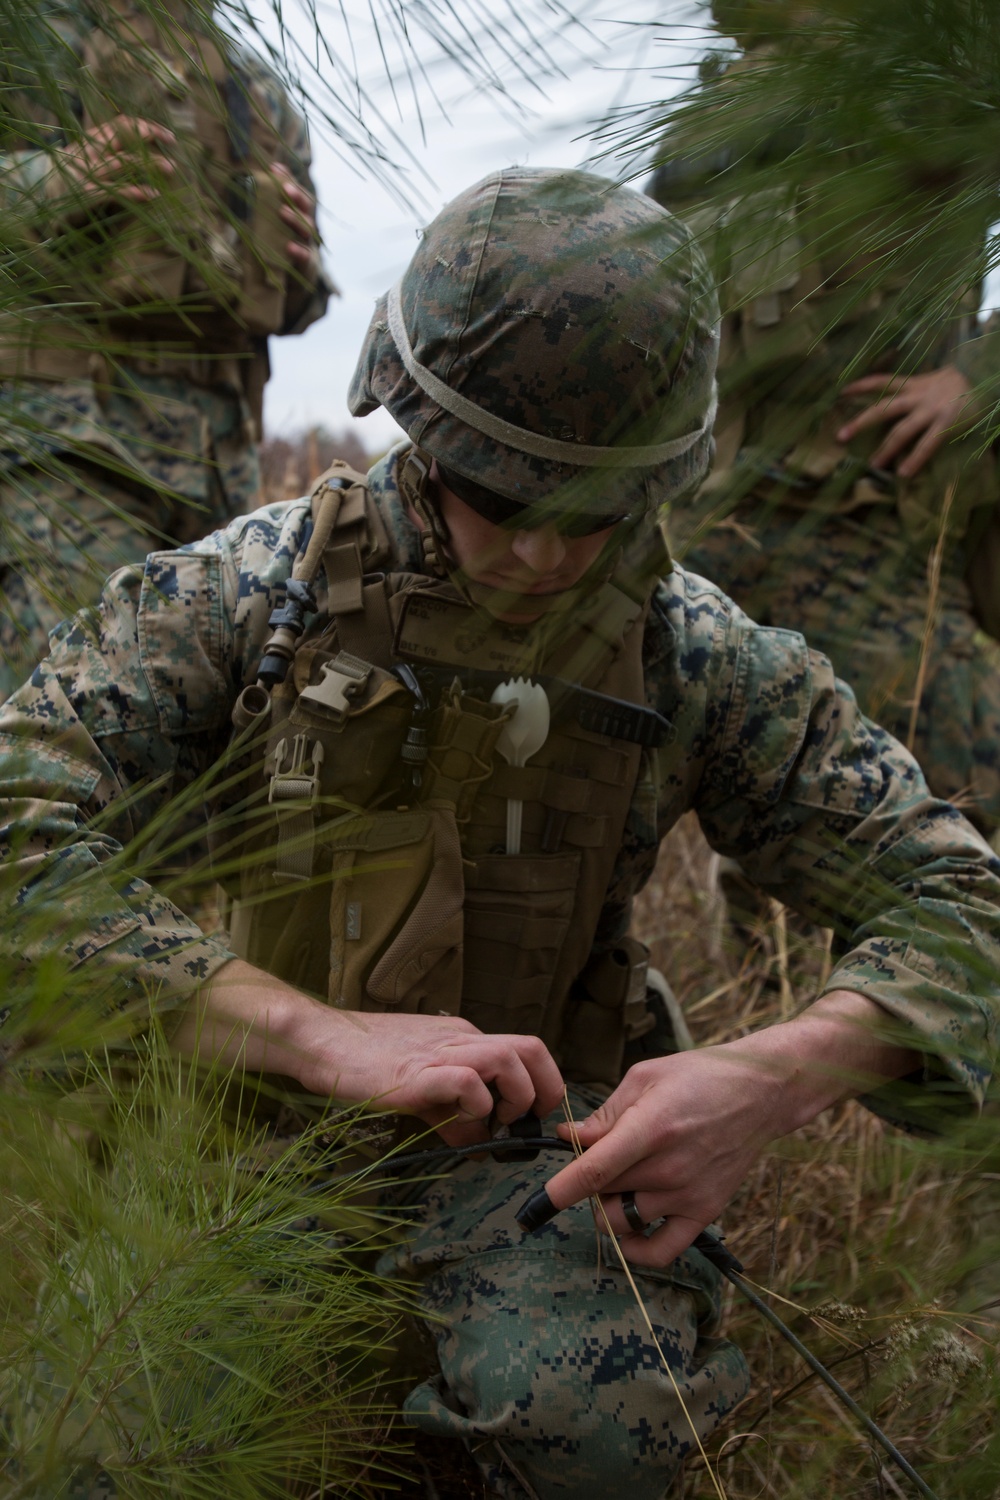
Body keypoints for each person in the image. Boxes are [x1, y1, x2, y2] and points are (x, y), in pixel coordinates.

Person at [1, 166, 998, 1500]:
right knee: (96, 1450)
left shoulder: (696, 655)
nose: (537, 557)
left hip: (535, 1178)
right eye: (496, 496)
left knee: (584, 1435)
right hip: (226, 1153)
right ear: (409, 419)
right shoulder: (244, 598)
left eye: (585, 512)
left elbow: (963, 904)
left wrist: (777, 1076)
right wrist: (310, 1034)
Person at [647, 0, 1000, 844]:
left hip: (867, 529)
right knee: (761, 820)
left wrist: (978, 377)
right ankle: (777, 978)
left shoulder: (937, 69)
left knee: (962, 812)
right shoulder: (706, 114)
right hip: (707, 524)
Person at [0, 0, 332, 698]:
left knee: (214, 730)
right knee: (69, 710)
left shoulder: (256, 87)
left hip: (219, 469)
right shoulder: (30, 38)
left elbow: (307, 295)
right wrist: (63, 178)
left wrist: (296, 265)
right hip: (69, 450)